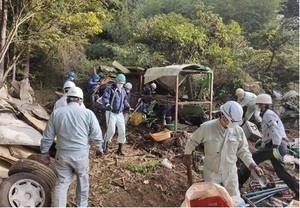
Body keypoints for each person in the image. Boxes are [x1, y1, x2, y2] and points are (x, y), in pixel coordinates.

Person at [182, 101, 263, 197]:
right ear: (224, 117)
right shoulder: (206, 128)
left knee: (234, 198)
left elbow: (243, 151)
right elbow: (192, 141)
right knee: (211, 198)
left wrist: (253, 165)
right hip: (211, 172)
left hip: (230, 172)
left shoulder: (238, 131)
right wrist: (187, 155)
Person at [40, 86, 104, 207]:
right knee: (83, 183)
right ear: (80, 100)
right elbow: (97, 133)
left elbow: (48, 135)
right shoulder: (88, 114)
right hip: (81, 155)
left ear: (67, 99)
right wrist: (99, 148)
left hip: (62, 155)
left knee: (62, 183)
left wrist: (44, 152)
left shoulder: (57, 113)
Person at [238, 94, 299, 198]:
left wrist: (275, 147)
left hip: (275, 146)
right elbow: (269, 132)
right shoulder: (268, 114)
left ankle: (237, 185)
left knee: (250, 161)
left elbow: (275, 131)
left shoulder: (268, 115)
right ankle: (298, 191)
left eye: (258, 104)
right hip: (277, 145)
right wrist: (263, 143)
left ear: (263, 105)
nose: (257, 106)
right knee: (281, 173)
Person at [101, 74, 133, 156]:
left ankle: (120, 149)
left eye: (122, 83)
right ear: (116, 81)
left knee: (122, 130)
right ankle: (105, 144)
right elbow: (105, 98)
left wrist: (128, 107)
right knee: (111, 130)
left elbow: (124, 101)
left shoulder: (123, 91)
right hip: (111, 112)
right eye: (119, 83)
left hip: (119, 113)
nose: (120, 84)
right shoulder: (110, 88)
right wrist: (107, 104)